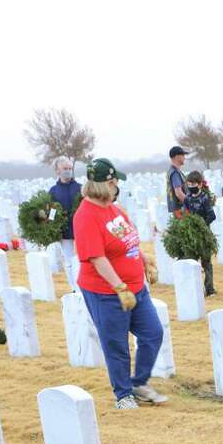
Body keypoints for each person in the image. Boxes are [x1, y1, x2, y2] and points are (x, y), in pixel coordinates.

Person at [72, 156, 166, 410]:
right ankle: (123, 394)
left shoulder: (113, 208)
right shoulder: (86, 216)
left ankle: (139, 382)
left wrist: (145, 260)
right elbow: (97, 258)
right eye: (115, 183)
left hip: (136, 287)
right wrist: (119, 287)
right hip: (107, 292)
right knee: (117, 344)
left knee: (153, 333)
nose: (117, 188)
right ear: (106, 184)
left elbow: (127, 241)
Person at [182, 170, 218, 296]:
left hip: (204, 234)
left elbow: (212, 215)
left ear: (200, 184)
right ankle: (194, 289)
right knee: (191, 260)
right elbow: (186, 212)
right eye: (189, 184)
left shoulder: (204, 198)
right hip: (191, 234)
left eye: (193, 184)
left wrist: (202, 224)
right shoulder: (187, 198)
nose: (191, 187)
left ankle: (209, 289)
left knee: (206, 262)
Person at [46, 157, 83, 242]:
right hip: (64, 235)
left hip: (80, 232)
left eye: (70, 168)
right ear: (58, 171)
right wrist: (51, 227)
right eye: (65, 168)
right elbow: (52, 211)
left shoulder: (80, 188)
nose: (68, 171)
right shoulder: (53, 191)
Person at [165, 145, 189, 217]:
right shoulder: (175, 173)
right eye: (183, 155)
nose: (184, 158)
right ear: (177, 156)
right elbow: (178, 193)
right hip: (181, 210)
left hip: (179, 210)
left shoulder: (174, 171)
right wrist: (190, 204)